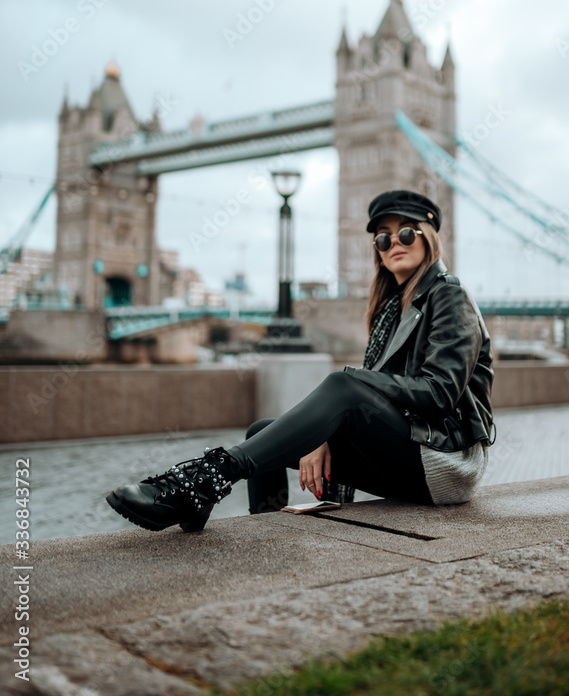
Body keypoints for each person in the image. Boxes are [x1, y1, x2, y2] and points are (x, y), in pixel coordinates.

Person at [106, 189, 494, 533]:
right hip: (409, 451)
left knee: (343, 384)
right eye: (382, 238)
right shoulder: (390, 310)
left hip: (445, 461)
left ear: (428, 237)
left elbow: (439, 394)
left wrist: (350, 391)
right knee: (261, 431)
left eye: (406, 232)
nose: (394, 242)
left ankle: (205, 480)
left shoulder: (448, 296)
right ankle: (265, 529)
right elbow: (373, 406)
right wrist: (326, 431)